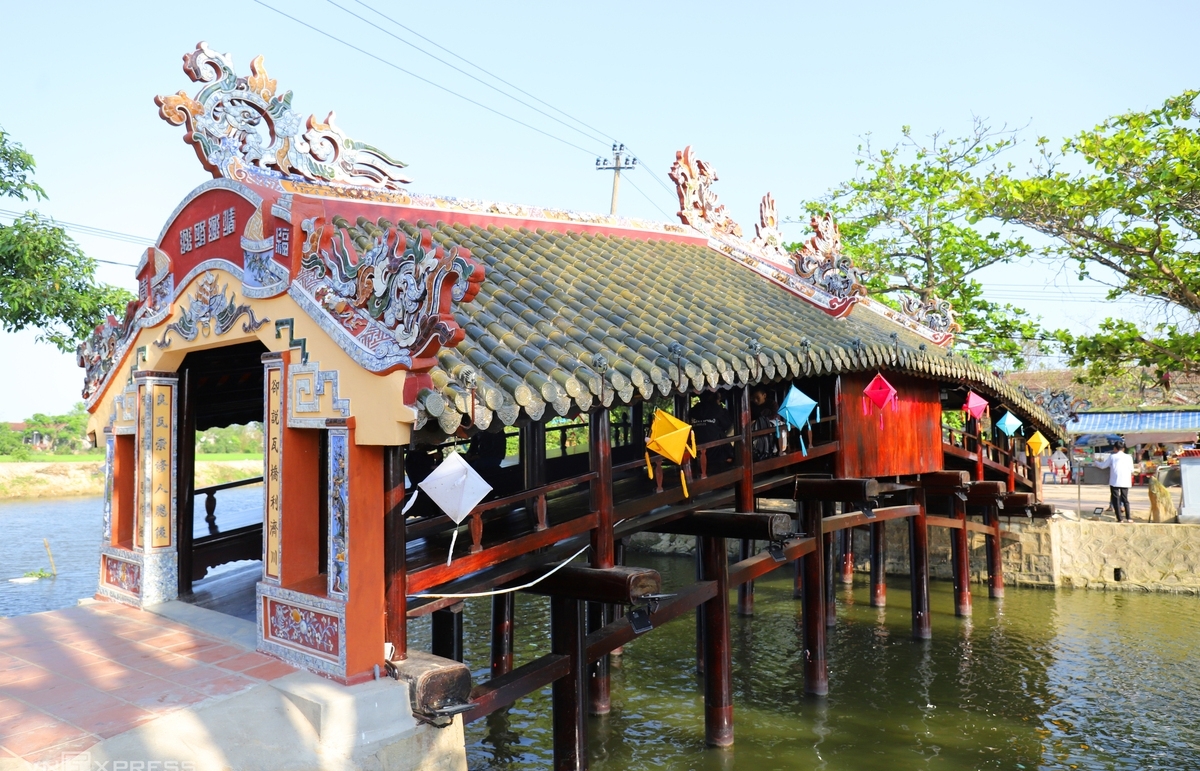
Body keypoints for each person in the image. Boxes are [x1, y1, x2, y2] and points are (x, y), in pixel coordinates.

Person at [690, 390, 733, 468]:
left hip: (696, 452)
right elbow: (728, 424)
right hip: (717, 453)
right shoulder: (718, 410)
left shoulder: (693, 411)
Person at [1095, 440, 1134, 522]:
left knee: (1115, 500)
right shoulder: (1129, 457)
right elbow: (1132, 469)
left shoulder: (1112, 457)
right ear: (1123, 449)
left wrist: (1095, 462)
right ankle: (1129, 517)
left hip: (1115, 480)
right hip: (1125, 480)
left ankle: (1120, 518)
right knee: (1125, 499)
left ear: (1115, 448)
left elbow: (1103, 466)